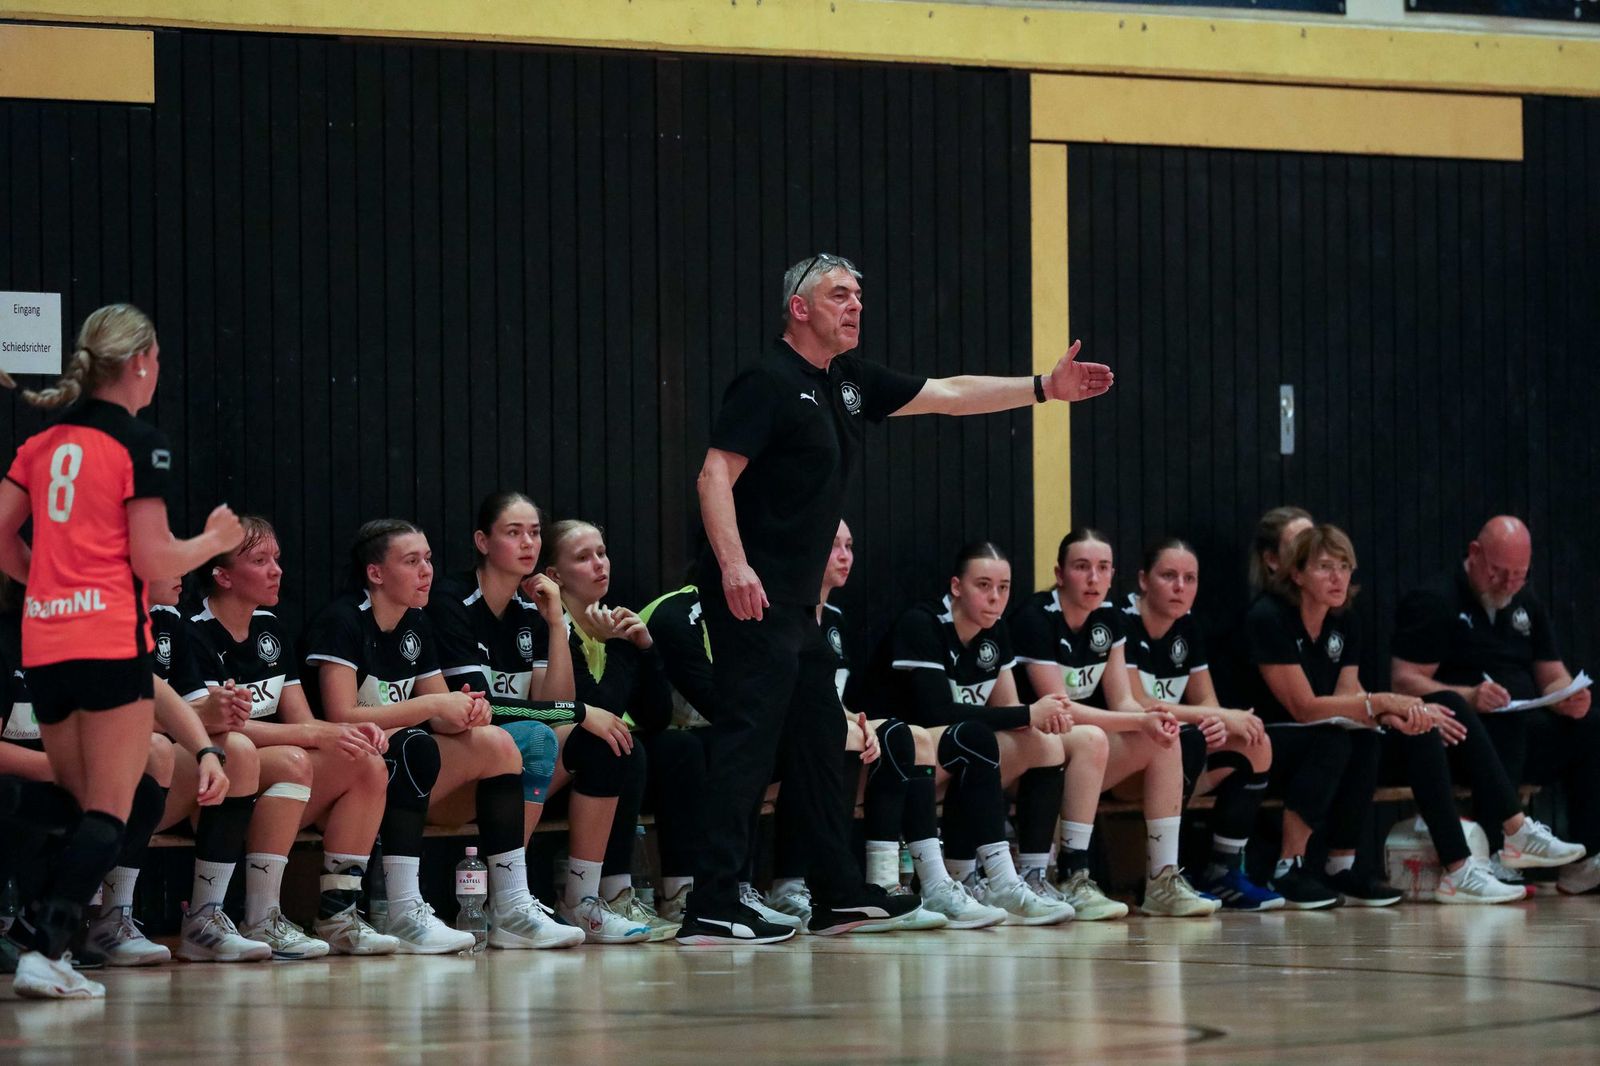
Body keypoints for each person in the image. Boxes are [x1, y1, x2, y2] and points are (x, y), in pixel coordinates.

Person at [683, 252, 1112, 944]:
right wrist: (734, 567)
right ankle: (711, 903)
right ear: (800, 308)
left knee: (821, 745)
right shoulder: (767, 380)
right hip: (752, 598)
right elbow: (713, 475)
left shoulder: (848, 380)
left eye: (858, 295)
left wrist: (1043, 388)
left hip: (798, 609)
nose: (855, 305)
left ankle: (838, 896)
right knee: (747, 745)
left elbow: (949, 394)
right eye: (839, 295)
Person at [0, 303, 243, 997]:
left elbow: (0, 534)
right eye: (157, 359)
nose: (158, 370)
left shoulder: (42, 443)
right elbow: (151, 557)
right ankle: (45, 952)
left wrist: (45, 584)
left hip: (46, 639)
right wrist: (214, 541)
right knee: (113, 806)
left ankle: (37, 938)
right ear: (139, 363)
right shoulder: (141, 443)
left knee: (85, 803)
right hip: (108, 638)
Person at [1248, 523, 1523, 907]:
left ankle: (1449, 869)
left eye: (1344, 567)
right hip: (1265, 739)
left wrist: (1396, 716)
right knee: (1335, 740)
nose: (1338, 577)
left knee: (1402, 733)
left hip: (1323, 735)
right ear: (1297, 574)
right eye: (1325, 567)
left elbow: (1347, 693)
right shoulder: (1269, 616)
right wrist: (1382, 703)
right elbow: (1304, 708)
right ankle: (1286, 866)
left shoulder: (1345, 619)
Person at [304, 519, 546, 953]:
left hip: (398, 769)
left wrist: (467, 711)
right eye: (412, 561)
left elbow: (440, 714)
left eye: (429, 559)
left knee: (499, 744)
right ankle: (403, 910)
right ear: (376, 573)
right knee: (414, 747)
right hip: (340, 782)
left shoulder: (416, 621)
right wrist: (435, 705)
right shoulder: (343, 620)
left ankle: (511, 906)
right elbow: (341, 715)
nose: (426, 571)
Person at [188, 515, 410, 955]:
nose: (276, 570)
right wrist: (315, 736)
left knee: (366, 761)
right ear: (223, 576)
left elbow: (301, 720)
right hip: (209, 778)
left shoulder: (269, 627)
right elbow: (209, 725)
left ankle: (339, 915)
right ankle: (260, 917)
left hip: (272, 771)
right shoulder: (192, 629)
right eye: (260, 561)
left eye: (277, 559)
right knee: (293, 759)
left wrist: (347, 730)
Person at [426, 494, 622, 947]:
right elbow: (481, 708)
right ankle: (510, 902)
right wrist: (577, 712)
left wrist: (555, 623)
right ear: (482, 541)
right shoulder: (451, 602)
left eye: (534, 532)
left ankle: (581, 898)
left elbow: (556, 703)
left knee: (605, 741)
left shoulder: (533, 608)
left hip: (511, 764)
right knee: (536, 736)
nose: (528, 543)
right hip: (458, 766)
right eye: (513, 533)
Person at [868, 542, 1078, 926]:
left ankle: (1028, 877)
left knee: (1043, 745)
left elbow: (1008, 710)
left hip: (947, 752)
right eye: (983, 585)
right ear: (956, 587)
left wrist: (1040, 719)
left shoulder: (995, 631)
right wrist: (1029, 712)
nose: (995, 597)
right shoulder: (922, 623)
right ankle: (980, 878)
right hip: (892, 756)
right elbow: (936, 713)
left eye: (1003, 587)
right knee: (973, 740)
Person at [1011, 529, 1217, 918]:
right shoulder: (1035, 618)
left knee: (1164, 739)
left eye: (1103, 568)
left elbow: (1123, 698)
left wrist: (1150, 721)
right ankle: (1072, 876)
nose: (1094, 578)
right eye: (1082, 567)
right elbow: (1061, 709)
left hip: (1079, 751)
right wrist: (1137, 720)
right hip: (1031, 749)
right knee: (1093, 738)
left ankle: (1162, 879)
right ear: (1060, 574)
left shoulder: (1108, 617)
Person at [1390, 516, 1593, 891]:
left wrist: (1568, 695)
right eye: (1499, 572)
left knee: (1590, 726)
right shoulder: (1435, 599)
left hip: (1522, 731)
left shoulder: (1525, 600)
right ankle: (1498, 850)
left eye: (1519, 574)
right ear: (1475, 553)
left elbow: (1552, 673)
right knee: (1503, 722)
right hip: (1458, 738)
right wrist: (1470, 695)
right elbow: (1404, 679)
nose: (1508, 583)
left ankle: (1585, 860)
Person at [821, 522, 1004, 930]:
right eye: (834, 546)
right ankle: (852, 886)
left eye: (850, 545)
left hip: (855, 735)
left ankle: (937, 883)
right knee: (905, 735)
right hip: (809, 741)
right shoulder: (920, 623)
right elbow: (938, 709)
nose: (846, 556)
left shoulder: (834, 617)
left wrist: (852, 718)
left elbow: (831, 697)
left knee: (918, 737)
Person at [1122, 538, 1282, 910]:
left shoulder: (1188, 627)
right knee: (1184, 740)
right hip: (1125, 763)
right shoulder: (1121, 622)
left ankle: (1224, 871)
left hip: (1173, 754)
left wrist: (1216, 721)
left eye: (1190, 578)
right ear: (1144, 580)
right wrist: (1212, 716)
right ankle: (1160, 876)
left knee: (1254, 741)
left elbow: (1206, 699)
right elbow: (1139, 704)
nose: (1180, 587)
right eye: (1169, 576)